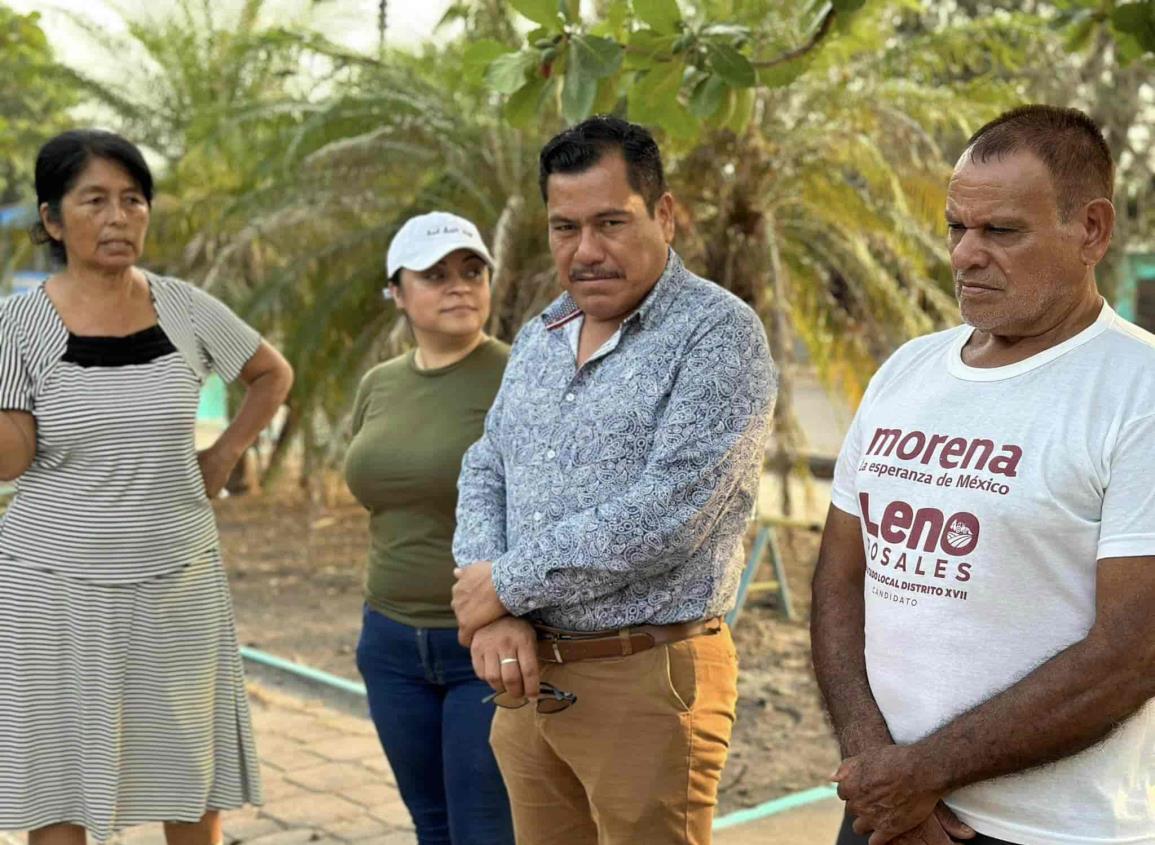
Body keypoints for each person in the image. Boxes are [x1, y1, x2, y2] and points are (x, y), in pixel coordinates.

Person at [812, 104, 1155, 845]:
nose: (965, 254)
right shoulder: (906, 370)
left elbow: (1132, 650)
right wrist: (878, 769)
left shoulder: (1138, 388)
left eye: (1000, 231)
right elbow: (840, 577)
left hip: (1051, 831)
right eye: (954, 228)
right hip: (884, 813)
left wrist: (922, 773)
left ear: (1090, 230)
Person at [449, 115, 777, 845]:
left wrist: (506, 583)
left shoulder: (716, 335)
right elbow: (487, 462)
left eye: (610, 222)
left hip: (644, 678)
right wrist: (492, 599)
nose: (585, 250)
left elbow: (670, 513)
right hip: (528, 675)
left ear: (663, 214)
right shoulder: (543, 332)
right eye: (564, 227)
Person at [0, 130, 293, 845]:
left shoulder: (186, 307)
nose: (118, 217)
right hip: (53, 583)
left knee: (190, 778)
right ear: (52, 219)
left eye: (133, 200)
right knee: (58, 781)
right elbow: (11, 460)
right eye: (94, 200)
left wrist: (223, 453)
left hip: (179, 578)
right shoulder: (17, 323)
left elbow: (271, 373)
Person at [345, 211, 514, 845]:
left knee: (484, 833)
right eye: (435, 274)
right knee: (433, 828)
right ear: (397, 292)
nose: (459, 285)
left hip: (485, 647)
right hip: (388, 644)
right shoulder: (378, 385)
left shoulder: (520, 376)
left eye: (473, 271)